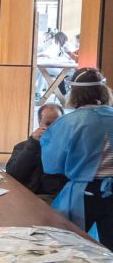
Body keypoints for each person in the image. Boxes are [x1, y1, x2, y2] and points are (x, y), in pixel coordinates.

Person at [41, 68, 113, 245]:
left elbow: (52, 164)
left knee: (69, 245)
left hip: (85, 192)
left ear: (74, 93)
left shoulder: (69, 122)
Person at [5, 103, 67, 201]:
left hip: (54, 198)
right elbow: (12, 175)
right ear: (39, 123)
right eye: (48, 124)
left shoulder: (67, 148)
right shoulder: (24, 146)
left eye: (57, 124)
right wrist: (33, 144)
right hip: (25, 195)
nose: (53, 128)